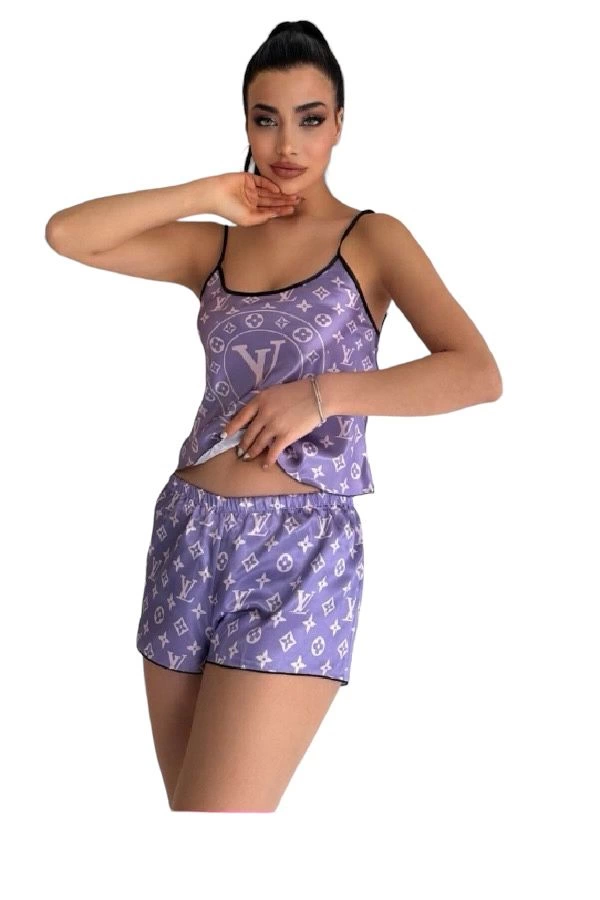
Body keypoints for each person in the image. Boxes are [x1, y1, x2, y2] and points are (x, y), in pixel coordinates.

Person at [45, 19, 502, 813]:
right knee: (190, 829)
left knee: (218, 819)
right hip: (186, 532)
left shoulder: (373, 239)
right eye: (266, 119)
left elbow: (476, 372)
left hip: (297, 551)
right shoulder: (215, 250)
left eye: (310, 118)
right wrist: (205, 195)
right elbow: (67, 235)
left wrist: (323, 393)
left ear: (340, 124)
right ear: (246, 124)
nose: (287, 143)